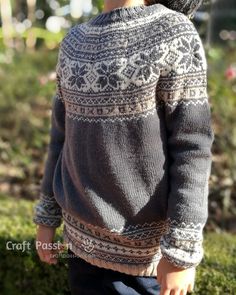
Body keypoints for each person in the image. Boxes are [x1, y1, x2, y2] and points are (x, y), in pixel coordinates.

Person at [33, 0, 215, 294]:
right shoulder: (73, 41)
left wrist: (180, 252)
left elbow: (192, 148)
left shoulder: (173, 32)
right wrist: (47, 218)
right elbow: (60, 139)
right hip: (80, 249)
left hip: (145, 263)